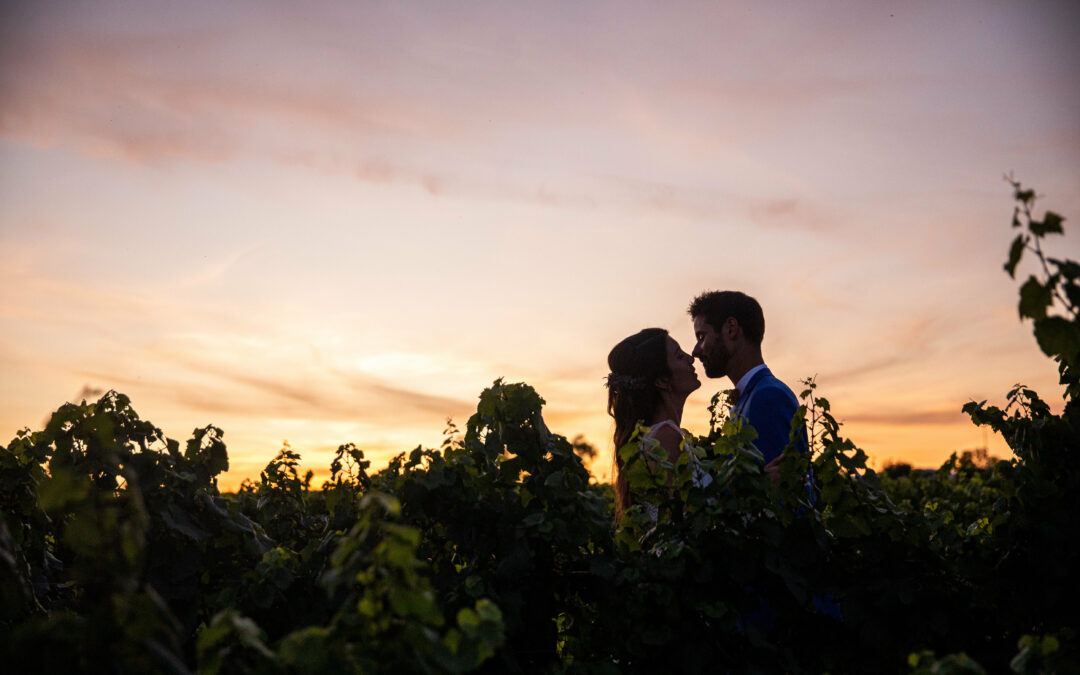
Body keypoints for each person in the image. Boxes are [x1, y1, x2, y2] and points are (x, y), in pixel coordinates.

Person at [688, 290, 806, 483]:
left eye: (701, 337)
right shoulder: (752, 395)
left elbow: (780, 498)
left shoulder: (768, 397)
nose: (695, 351)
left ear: (731, 328)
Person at [606, 328, 702, 522]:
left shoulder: (652, 436)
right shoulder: (665, 437)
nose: (690, 358)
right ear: (662, 380)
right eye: (679, 356)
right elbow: (683, 523)